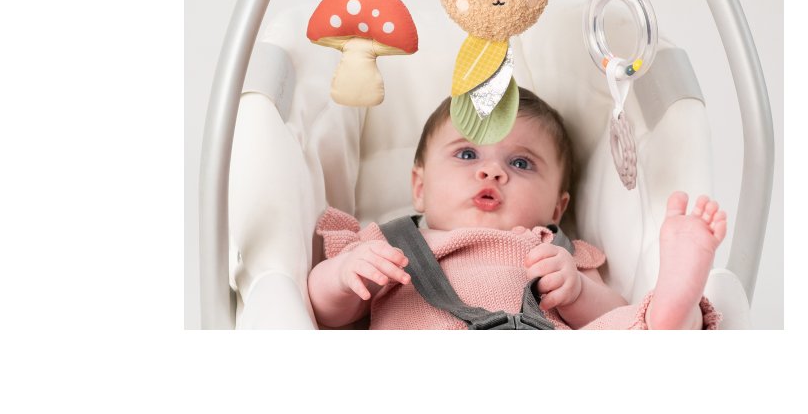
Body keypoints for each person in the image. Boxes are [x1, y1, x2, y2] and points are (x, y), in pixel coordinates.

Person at [308, 89, 725, 329]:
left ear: (557, 208)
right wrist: (345, 277)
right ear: (420, 187)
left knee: (618, 327)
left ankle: (667, 313)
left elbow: (609, 312)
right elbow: (326, 315)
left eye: (521, 163)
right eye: (467, 154)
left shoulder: (554, 252)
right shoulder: (388, 246)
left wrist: (578, 293)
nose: (492, 171)